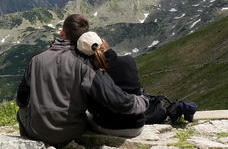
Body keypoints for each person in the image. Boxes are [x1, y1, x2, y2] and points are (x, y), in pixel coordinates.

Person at [16, 14, 149, 146]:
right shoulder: (85, 63)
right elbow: (115, 99)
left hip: (37, 131)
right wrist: (142, 102)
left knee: (21, 112)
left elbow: (21, 100)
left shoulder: (36, 59)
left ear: (62, 32)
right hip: (72, 132)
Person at [77, 31, 145, 138]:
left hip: (108, 127)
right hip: (137, 125)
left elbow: (92, 108)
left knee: (86, 116)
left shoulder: (90, 73)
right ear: (103, 42)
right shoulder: (129, 60)